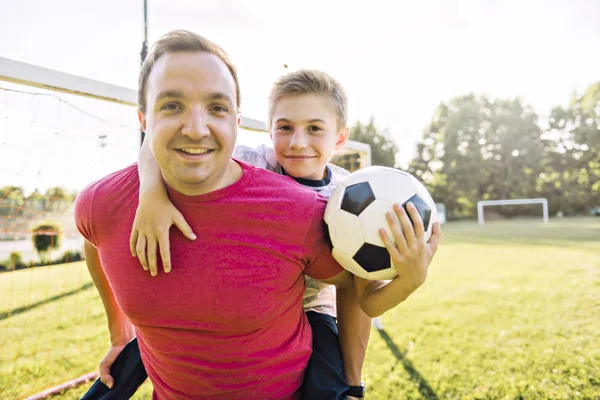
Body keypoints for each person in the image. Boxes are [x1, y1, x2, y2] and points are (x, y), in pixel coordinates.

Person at [76, 30, 439, 400]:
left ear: (340, 138)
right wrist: (150, 194)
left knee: (330, 383)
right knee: (130, 363)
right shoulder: (250, 161)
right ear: (268, 128)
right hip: (222, 310)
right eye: (285, 128)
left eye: (315, 129)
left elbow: (359, 297)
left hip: (312, 305)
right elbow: (164, 144)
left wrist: (407, 283)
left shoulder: (347, 196)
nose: (297, 142)